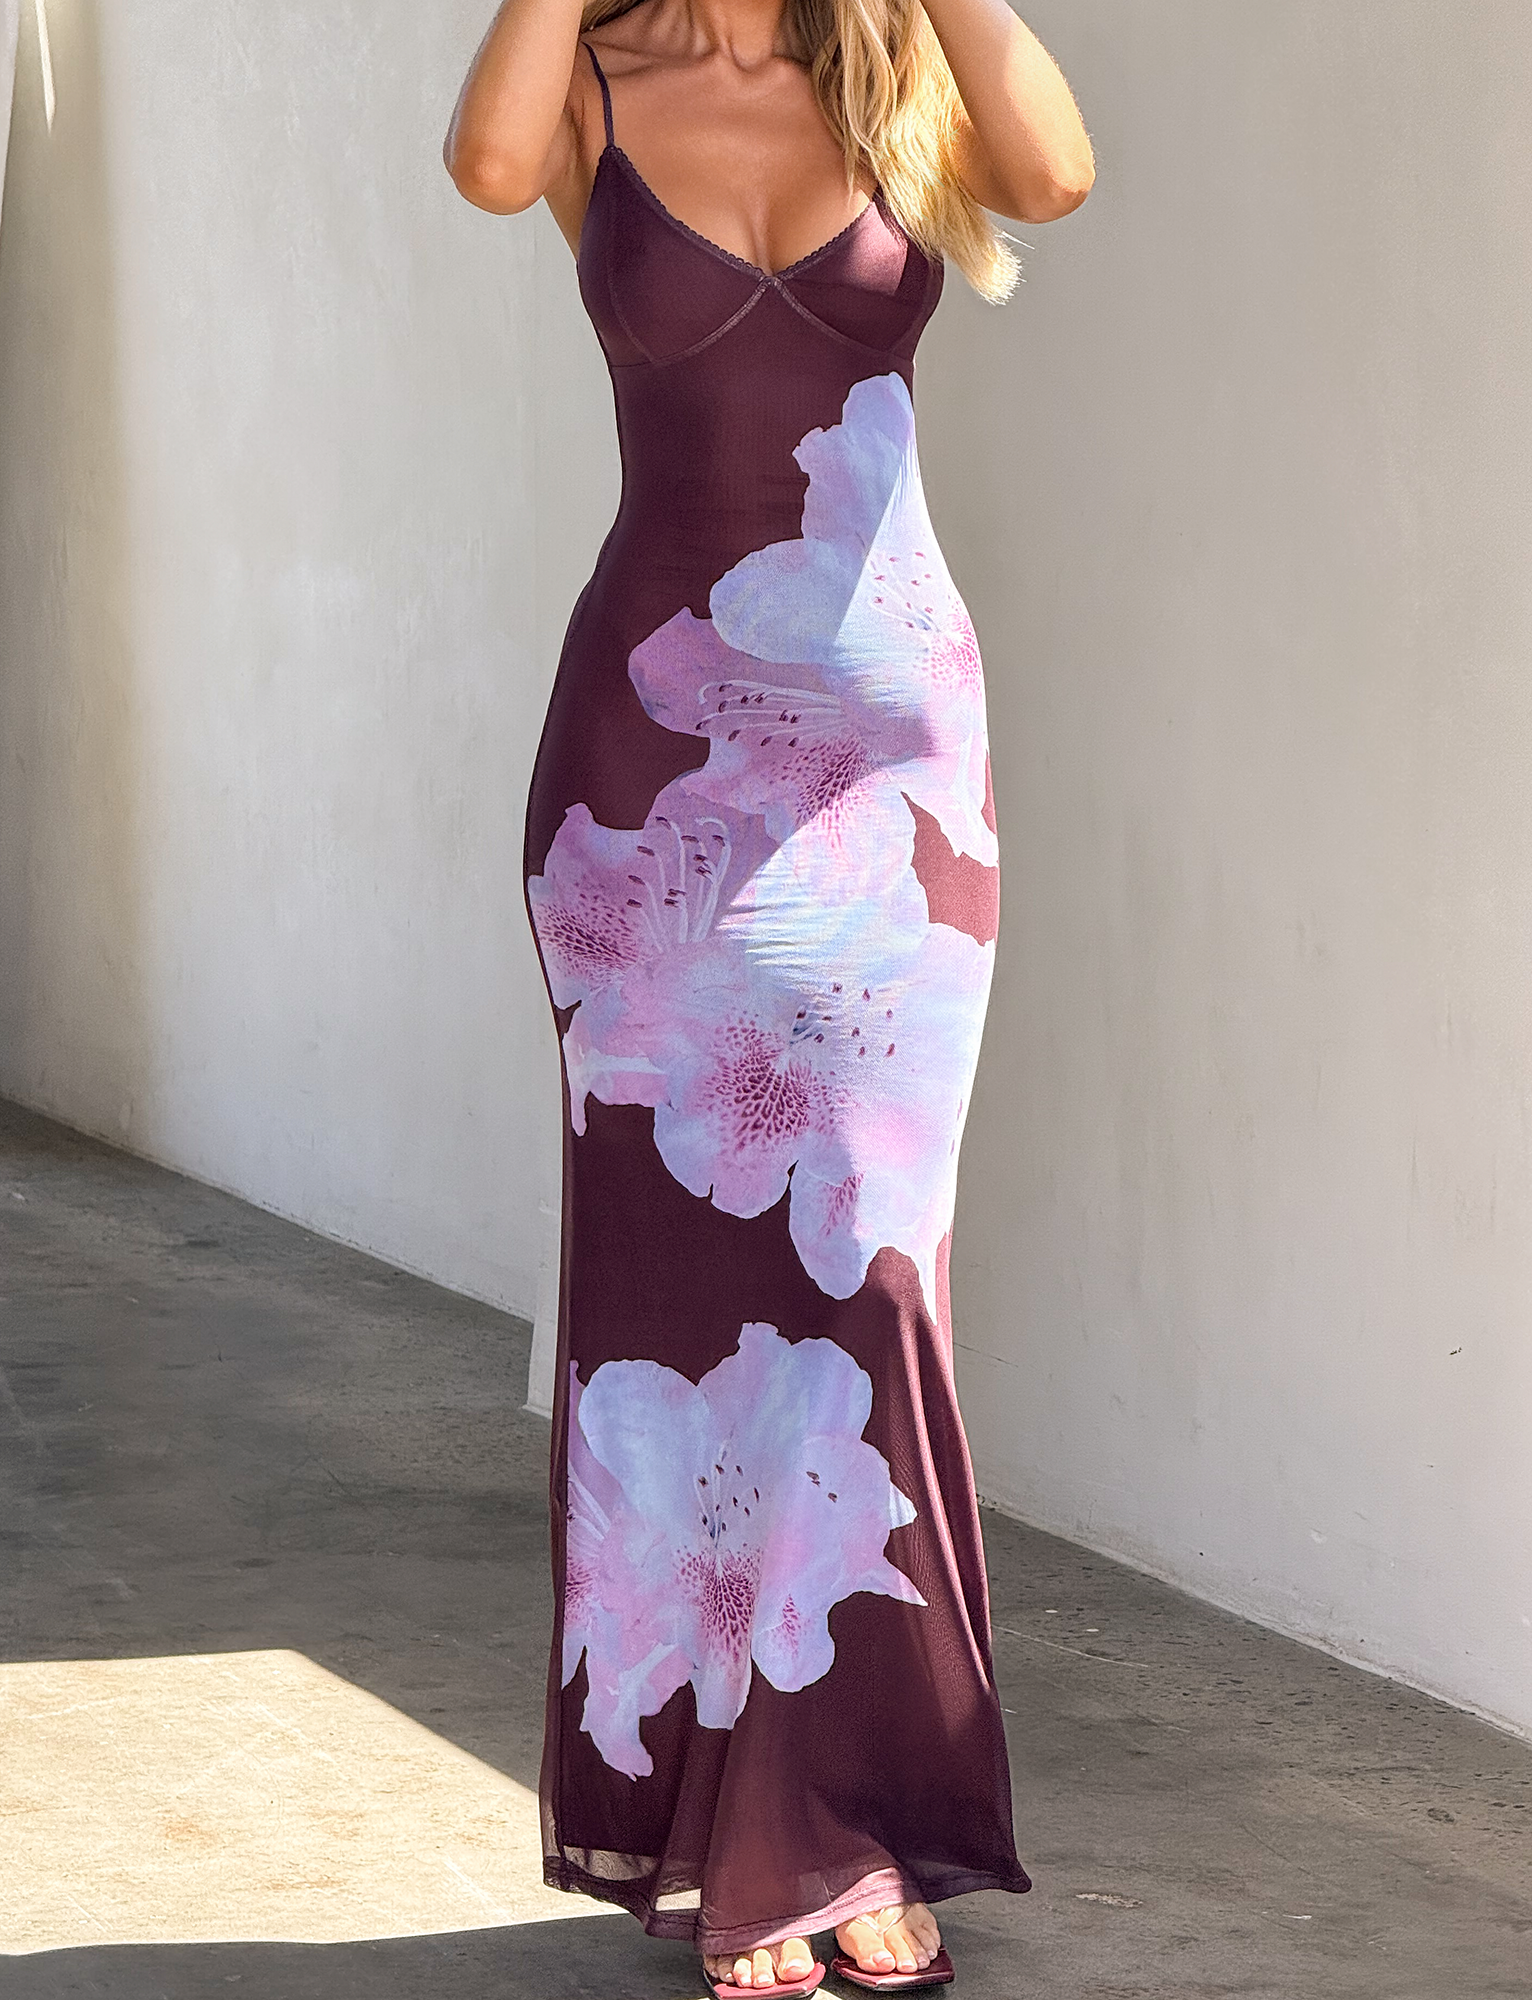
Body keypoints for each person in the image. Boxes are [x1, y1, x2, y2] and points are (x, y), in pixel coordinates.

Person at [444, 1, 1092, 1989]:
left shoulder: (892, 73)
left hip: (891, 782)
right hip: (653, 785)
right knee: (671, 1302)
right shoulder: (589, 87)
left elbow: (1055, 170)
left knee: (869, 1286)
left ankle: (859, 1820)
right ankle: (742, 1833)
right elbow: (481, 161)